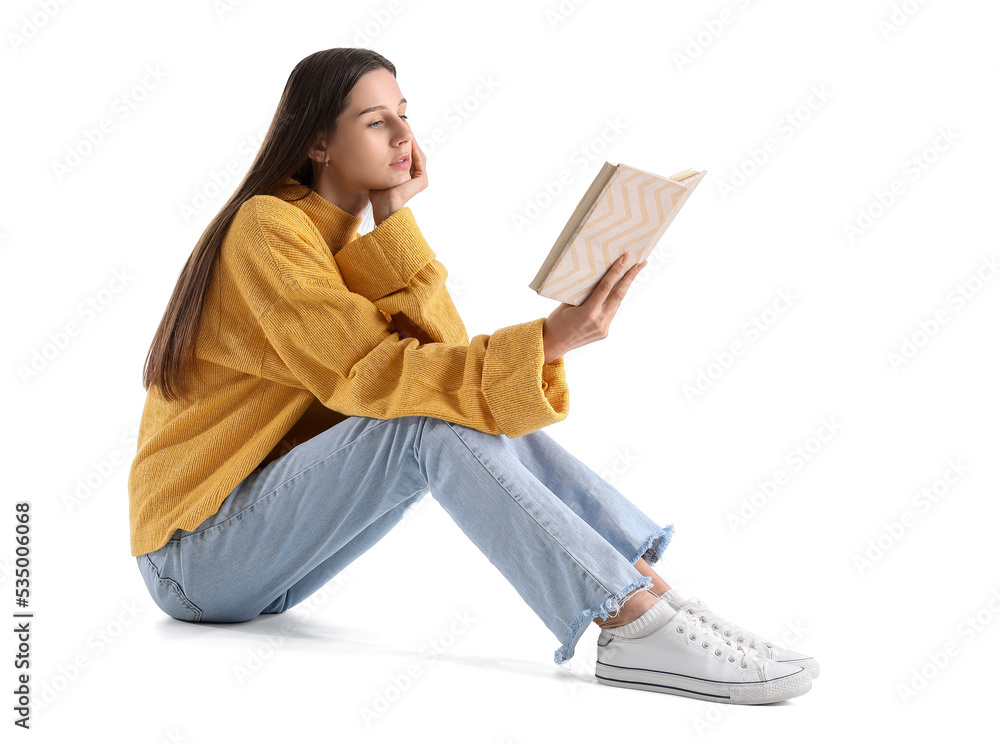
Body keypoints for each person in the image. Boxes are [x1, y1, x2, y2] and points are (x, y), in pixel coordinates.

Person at [129, 47, 819, 705]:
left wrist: (395, 216)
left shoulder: (337, 238)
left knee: (444, 409)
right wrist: (547, 340)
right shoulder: (268, 226)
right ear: (318, 144)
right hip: (194, 557)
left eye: (405, 112)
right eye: (377, 121)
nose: (404, 133)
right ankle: (632, 623)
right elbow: (370, 376)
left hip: (257, 561)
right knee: (424, 423)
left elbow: (446, 374)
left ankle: (658, 604)